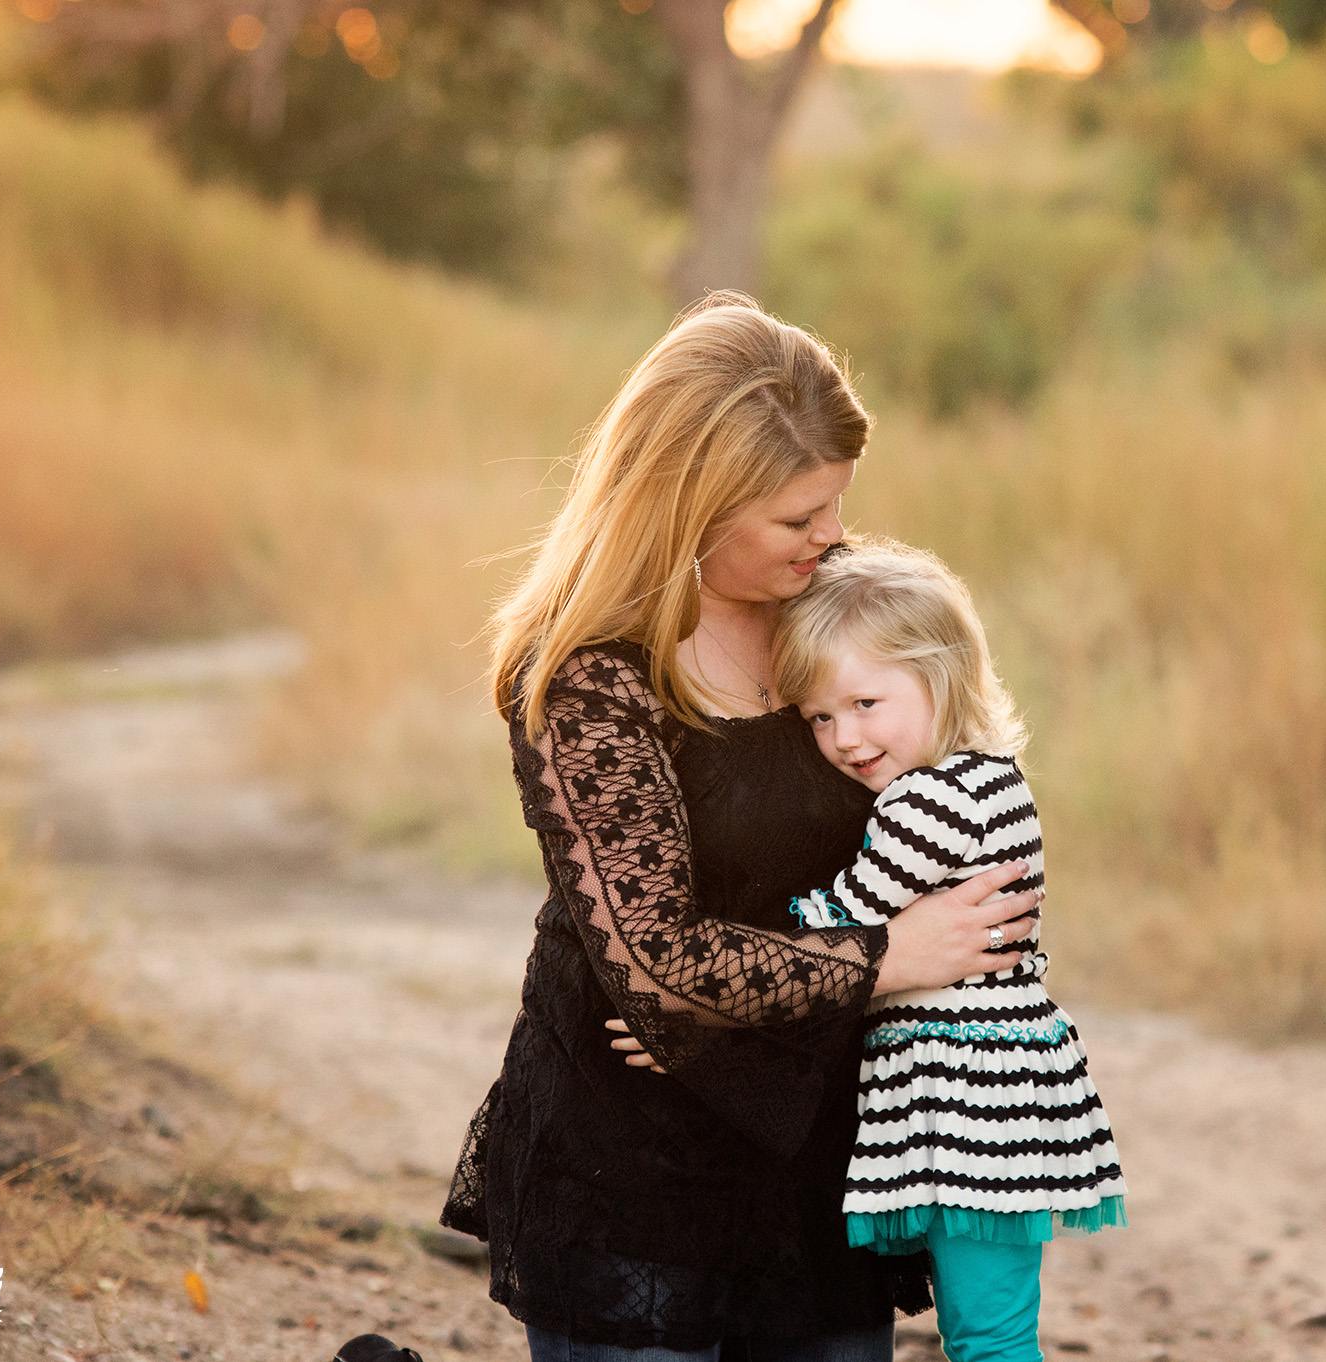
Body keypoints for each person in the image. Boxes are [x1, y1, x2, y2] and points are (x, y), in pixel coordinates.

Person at [439, 295, 1040, 1362]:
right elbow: (659, 967)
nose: (833, 537)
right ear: (691, 505)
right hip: (635, 1179)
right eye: (798, 518)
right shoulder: (590, 674)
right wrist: (890, 958)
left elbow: (970, 839)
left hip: (823, 1165)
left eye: (834, 506)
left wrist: (730, 1024)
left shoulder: (839, 625)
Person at [770, 539, 1125, 1362]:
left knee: (989, 1340)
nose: (843, 737)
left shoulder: (927, 803)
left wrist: (754, 932)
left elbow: (841, 924)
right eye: (820, 717)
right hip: (986, 1094)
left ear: (942, 674)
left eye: (865, 703)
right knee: (990, 1327)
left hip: (969, 1108)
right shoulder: (990, 777)